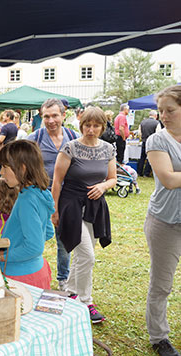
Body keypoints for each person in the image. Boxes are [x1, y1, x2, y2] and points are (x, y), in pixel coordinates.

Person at [51, 106, 116, 324]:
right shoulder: (70, 148)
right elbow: (57, 182)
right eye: (87, 125)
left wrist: (103, 186)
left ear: (102, 127)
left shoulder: (108, 149)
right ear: (81, 126)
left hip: (95, 206)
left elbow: (112, 178)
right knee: (87, 255)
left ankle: (70, 292)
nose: (91, 129)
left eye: (96, 125)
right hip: (71, 205)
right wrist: (55, 210)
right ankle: (86, 301)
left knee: (82, 256)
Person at [144, 85, 181, 356]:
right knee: (162, 284)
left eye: (170, 110)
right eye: (161, 111)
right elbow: (168, 179)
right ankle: (159, 337)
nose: (164, 116)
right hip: (165, 222)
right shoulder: (157, 140)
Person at [28, 98, 79, 291]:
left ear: (63, 115)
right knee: (36, 238)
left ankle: (63, 279)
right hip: (39, 197)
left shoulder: (73, 137)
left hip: (67, 198)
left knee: (64, 241)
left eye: (55, 115)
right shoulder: (35, 137)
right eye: (46, 116)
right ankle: (35, 274)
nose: (51, 121)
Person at [0, 140, 55, 289]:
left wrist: (2, 256)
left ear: (21, 168)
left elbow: (34, 247)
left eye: (4, 167)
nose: (1, 172)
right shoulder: (41, 192)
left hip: (20, 276)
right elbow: (48, 232)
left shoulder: (26, 200)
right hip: (36, 270)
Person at [138, 110, 160, 177]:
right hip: (152, 142)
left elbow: (139, 133)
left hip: (144, 141)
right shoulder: (157, 123)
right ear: (155, 116)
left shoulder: (142, 122)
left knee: (142, 157)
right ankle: (146, 173)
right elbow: (158, 133)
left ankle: (139, 172)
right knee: (150, 158)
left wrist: (141, 138)